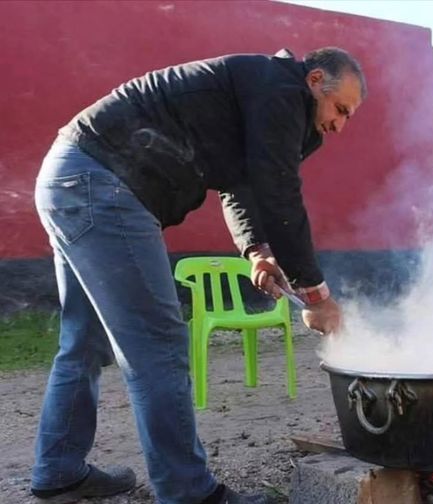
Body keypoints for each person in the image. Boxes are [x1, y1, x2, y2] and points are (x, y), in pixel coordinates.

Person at [31, 47, 366, 503]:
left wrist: (257, 250)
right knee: (159, 346)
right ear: (314, 81)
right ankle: (189, 493)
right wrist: (316, 293)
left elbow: (243, 183)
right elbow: (278, 192)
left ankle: (60, 471)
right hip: (103, 184)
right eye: (340, 109)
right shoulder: (281, 91)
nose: (340, 126)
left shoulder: (263, 91)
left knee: (83, 340)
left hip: (70, 175)